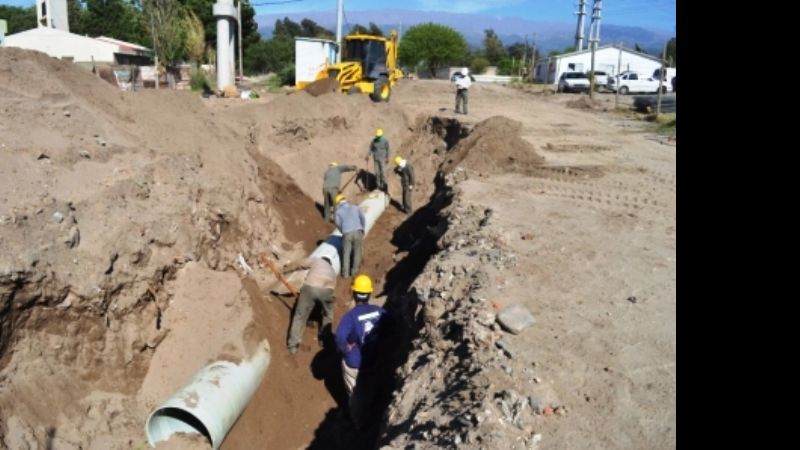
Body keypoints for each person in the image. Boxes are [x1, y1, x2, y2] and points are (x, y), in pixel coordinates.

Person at [334, 274, 388, 427]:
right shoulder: (379, 312)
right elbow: (391, 326)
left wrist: (346, 349)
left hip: (354, 362)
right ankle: (372, 409)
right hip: (372, 360)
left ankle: (358, 421)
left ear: (354, 293)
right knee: (369, 383)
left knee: (355, 394)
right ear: (370, 293)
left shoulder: (350, 317)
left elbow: (339, 337)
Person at [286, 255, 337, 354]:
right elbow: (333, 292)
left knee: (299, 316)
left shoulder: (317, 261)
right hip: (327, 290)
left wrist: (288, 268)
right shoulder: (333, 272)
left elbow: (301, 263)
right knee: (328, 315)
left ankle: (293, 345)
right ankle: (323, 341)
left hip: (310, 286)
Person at [334, 194, 365, 277]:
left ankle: (345, 274)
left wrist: (343, 231)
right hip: (358, 231)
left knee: (346, 253)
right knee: (357, 252)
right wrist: (362, 229)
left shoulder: (338, 212)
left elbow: (337, 224)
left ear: (338, 203)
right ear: (345, 200)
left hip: (347, 233)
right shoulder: (355, 207)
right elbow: (362, 218)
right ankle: (354, 271)